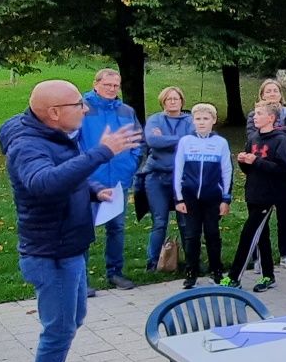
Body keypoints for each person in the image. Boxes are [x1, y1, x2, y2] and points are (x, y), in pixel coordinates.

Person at [0, 80, 142, 362]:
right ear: (54, 113)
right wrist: (102, 152)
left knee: (73, 318)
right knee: (58, 330)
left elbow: (68, 174)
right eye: (79, 104)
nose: (86, 109)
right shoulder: (27, 145)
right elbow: (44, 183)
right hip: (51, 253)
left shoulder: (54, 134)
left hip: (69, 246)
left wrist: (95, 189)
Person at [78, 68, 140, 289]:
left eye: (116, 85)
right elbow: (73, 141)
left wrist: (130, 166)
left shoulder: (125, 111)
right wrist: (82, 170)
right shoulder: (83, 108)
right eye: (107, 85)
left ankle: (115, 272)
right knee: (84, 229)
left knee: (117, 227)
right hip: (88, 179)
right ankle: (81, 280)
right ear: (96, 84)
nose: (112, 89)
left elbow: (137, 142)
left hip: (118, 181)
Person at [224, 102, 286, 290]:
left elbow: (282, 169)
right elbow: (250, 168)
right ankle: (268, 275)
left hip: (269, 194)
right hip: (253, 191)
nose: (255, 117)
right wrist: (244, 162)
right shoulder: (253, 138)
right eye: (254, 114)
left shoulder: (280, 140)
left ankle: (234, 277)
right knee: (261, 235)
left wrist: (257, 161)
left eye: (259, 114)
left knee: (248, 233)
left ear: (271, 118)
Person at [173, 103, 231, 287]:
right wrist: (179, 198)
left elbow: (227, 171)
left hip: (213, 196)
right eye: (198, 119)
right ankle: (191, 271)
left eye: (206, 119)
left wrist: (226, 198)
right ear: (193, 121)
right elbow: (178, 170)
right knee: (191, 235)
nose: (202, 122)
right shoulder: (185, 141)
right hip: (190, 197)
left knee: (212, 234)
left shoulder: (220, 143)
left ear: (213, 120)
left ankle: (217, 270)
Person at [248, 79, 286, 268]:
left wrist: (277, 147)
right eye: (268, 91)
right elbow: (253, 140)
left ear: (281, 94)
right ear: (262, 95)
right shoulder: (253, 116)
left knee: (284, 216)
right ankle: (260, 257)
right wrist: (277, 143)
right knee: (259, 217)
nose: (272, 94)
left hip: (283, 172)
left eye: (275, 91)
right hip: (260, 173)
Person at [141, 86, 193, 272]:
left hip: (182, 179)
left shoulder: (189, 120)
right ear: (163, 101)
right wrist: (180, 139)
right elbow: (153, 141)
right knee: (159, 221)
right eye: (168, 99)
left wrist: (167, 139)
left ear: (181, 101)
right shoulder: (155, 119)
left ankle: (192, 262)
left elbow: (192, 140)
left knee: (186, 221)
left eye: (176, 99)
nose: (172, 102)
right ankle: (153, 263)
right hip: (157, 177)